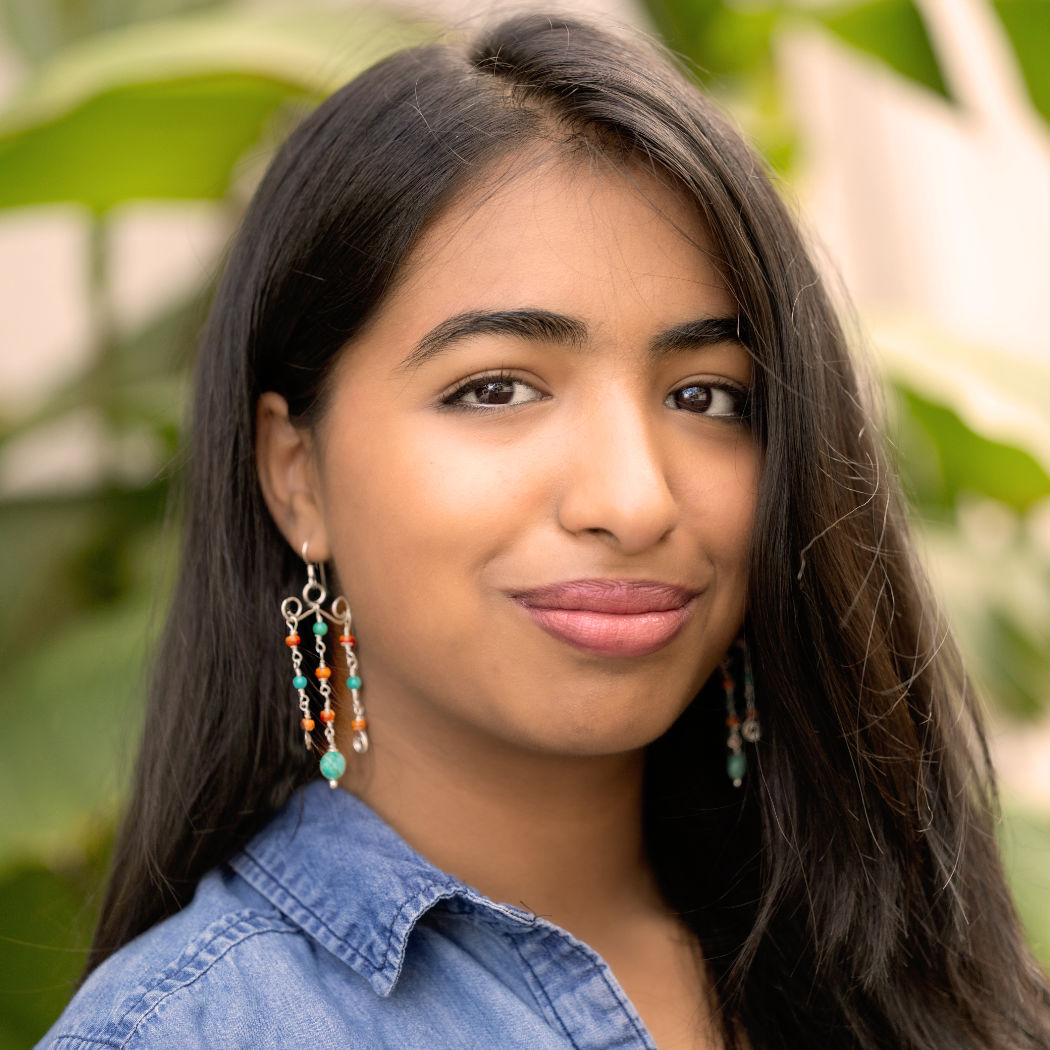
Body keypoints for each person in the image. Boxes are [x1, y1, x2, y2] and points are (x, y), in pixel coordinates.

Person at [36, 12, 1050, 1050]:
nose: (635, 498)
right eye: (495, 388)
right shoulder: (191, 1030)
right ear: (297, 476)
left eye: (706, 396)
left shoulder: (913, 975)